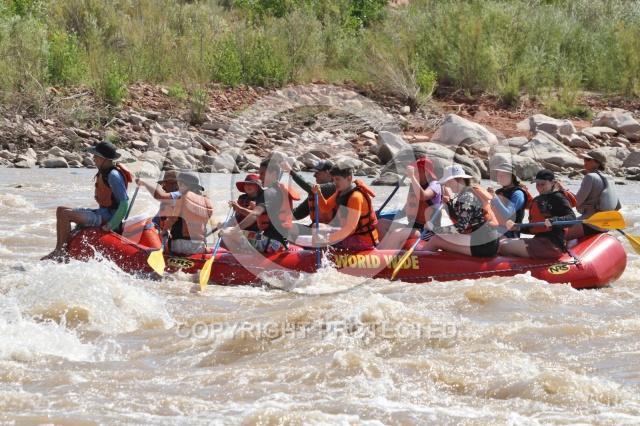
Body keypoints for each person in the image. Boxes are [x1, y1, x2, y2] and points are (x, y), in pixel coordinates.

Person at [42, 141, 131, 261]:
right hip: (102, 212)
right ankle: (58, 249)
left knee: (66, 214)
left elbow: (124, 203)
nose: (93, 158)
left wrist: (111, 225)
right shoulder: (104, 170)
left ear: (105, 159)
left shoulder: (113, 176)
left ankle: (61, 253)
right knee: (61, 209)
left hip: (108, 218)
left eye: (96, 155)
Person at [220, 159, 300, 253]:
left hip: (271, 243)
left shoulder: (268, 193)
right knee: (234, 232)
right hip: (283, 243)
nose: (259, 177)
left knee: (226, 234)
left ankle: (242, 259)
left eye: (262, 174)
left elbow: (255, 215)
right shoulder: (280, 191)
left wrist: (233, 231)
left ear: (273, 174)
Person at [421, 164, 500, 257]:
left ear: (459, 179)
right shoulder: (466, 194)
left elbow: (460, 227)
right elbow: (460, 216)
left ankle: (419, 261)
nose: (448, 185)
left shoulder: (466, 196)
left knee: (436, 239)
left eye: (449, 181)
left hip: (484, 244)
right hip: (486, 240)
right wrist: (448, 204)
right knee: (440, 239)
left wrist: (434, 229)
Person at [499, 169, 577, 259]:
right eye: (537, 184)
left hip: (552, 246)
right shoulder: (540, 199)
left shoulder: (558, 197)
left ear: (552, 182)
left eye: (542, 184)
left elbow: (572, 218)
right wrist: (518, 227)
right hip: (539, 241)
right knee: (501, 241)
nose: (539, 187)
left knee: (503, 246)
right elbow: (535, 227)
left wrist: (554, 221)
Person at [378, 158, 443, 249]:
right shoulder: (414, 186)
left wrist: (412, 176)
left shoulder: (435, 184)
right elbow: (404, 211)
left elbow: (423, 196)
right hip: (412, 227)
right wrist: (379, 215)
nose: (414, 173)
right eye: (414, 170)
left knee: (398, 233)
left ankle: (385, 253)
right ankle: (383, 250)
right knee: (381, 223)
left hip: (427, 231)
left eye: (417, 171)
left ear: (426, 172)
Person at [311, 165, 379, 250]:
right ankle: (317, 255)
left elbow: (351, 229)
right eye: (334, 179)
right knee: (316, 227)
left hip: (363, 240)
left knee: (323, 237)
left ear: (348, 179)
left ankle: (323, 255)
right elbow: (325, 208)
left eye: (338, 179)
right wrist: (319, 194)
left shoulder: (356, 197)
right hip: (349, 234)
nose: (335, 182)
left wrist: (327, 239)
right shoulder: (341, 192)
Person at [566, 149, 621, 240]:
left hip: (589, 225)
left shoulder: (590, 177)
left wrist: (562, 191)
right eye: (584, 158)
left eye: (588, 159)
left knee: (552, 235)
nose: (584, 161)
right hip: (603, 226)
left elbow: (576, 202)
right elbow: (618, 206)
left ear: (598, 163)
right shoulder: (609, 178)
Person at [280, 159, 337, 241]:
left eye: (317, 172)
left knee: (316, 228)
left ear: (328, 173)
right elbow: (298, 213)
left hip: (332, 231)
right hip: (315, 229)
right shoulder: (314, 192)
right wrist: (279, 216)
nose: (314, 175)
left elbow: (309, 187)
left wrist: (291, 171)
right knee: (286, 227)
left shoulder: (334, 187)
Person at [161, 172, 213, 255]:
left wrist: (164, 230)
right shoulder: (206, 201)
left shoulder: (182, 198)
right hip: (199, 247)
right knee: (208, 249)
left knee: (165, 242)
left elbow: (173, 218)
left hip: (180, 245)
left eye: (180, 184)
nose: (178, 186)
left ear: (188, 186)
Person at [487, 163, 532, 238]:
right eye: (498, 175)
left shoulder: (518, 194)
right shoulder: (498, 192)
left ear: (512, 177)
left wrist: (494, 198)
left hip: (510, 233)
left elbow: (507, 214)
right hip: (495, 228)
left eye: (503, 175)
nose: (500, 177)